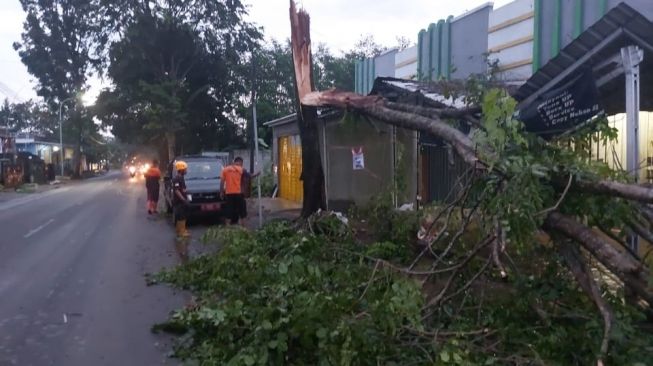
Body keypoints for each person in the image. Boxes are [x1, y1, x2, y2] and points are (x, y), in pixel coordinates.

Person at [220, 157, 259, 226]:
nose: (241, 165)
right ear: (240, 162)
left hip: (229, 194)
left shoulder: (225, 170)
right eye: (242, 163)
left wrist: (221, 192)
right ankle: (244, 227)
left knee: (229, 210)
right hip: (239, 193)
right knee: (242, 211)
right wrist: (257, 174)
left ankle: (227, 228)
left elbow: (222, 182)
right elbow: (250, 176)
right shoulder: (241, 169)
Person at [172, 160, 191, 238]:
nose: (186, 170)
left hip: (181, 200)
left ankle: (181, 230)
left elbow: (182, 189)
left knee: (183, 215)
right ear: (182, 169)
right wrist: (183, 199)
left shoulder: (181, 178)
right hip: (179, 201)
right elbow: (176, 190)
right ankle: (181, 232)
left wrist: (186, 192)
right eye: (185, 169)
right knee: (181, 216)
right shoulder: (177, 178)